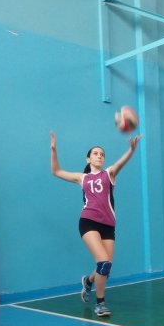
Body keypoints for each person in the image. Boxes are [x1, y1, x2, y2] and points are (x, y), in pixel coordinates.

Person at [50, 131, 141, 316]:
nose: (99, 156)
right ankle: (100, 303)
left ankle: (88, 282)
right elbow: (56, 171)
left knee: (105, 268)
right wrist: (53, 150)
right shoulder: (82, 178)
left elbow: (120, 163)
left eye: (102, 154)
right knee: (104, 263)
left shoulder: (109, 174)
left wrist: (131, 150)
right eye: (95, 153)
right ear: (88, 159)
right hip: (88, 221)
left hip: (108, 225)